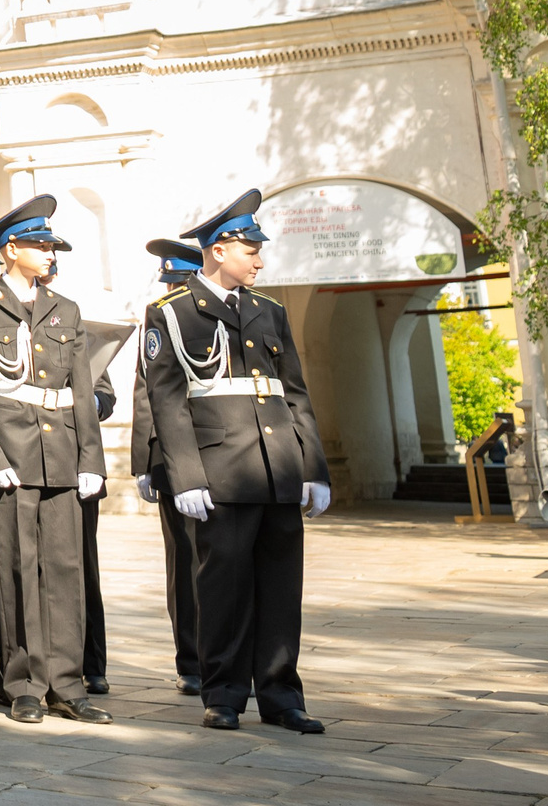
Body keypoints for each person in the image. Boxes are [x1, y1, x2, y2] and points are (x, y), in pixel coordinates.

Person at [142, 191, 330, 735]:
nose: (259, 261)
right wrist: (185, 476)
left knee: (281, 590)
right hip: (220, 473)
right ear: (219, 250)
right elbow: (167, 401)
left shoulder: (270, 311)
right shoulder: (172, 313)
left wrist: (313, 468)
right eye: (251, 250)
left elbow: (295, 394)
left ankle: (281, 695)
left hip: (277, 469)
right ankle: (223, 693)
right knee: (223, 590)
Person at [0, 195, 109, 726]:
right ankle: (23, 683)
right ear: (10, 249)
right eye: (39, 245)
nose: (49, 254)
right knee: (16, 568)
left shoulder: (66, 309)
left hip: (61, 453)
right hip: (11, 456)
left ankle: (68, 684)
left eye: (51, 246)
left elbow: (82, 391)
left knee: (65, 570)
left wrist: (91, 460)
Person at [131, 234, 206, 695]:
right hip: (174, 457)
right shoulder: (160, 317)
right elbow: (147, 389)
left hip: (223, 452)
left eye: (181, 283)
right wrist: (144, 461)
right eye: (172, 285)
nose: (174, 292)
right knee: (185, 562)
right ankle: (192, 661)